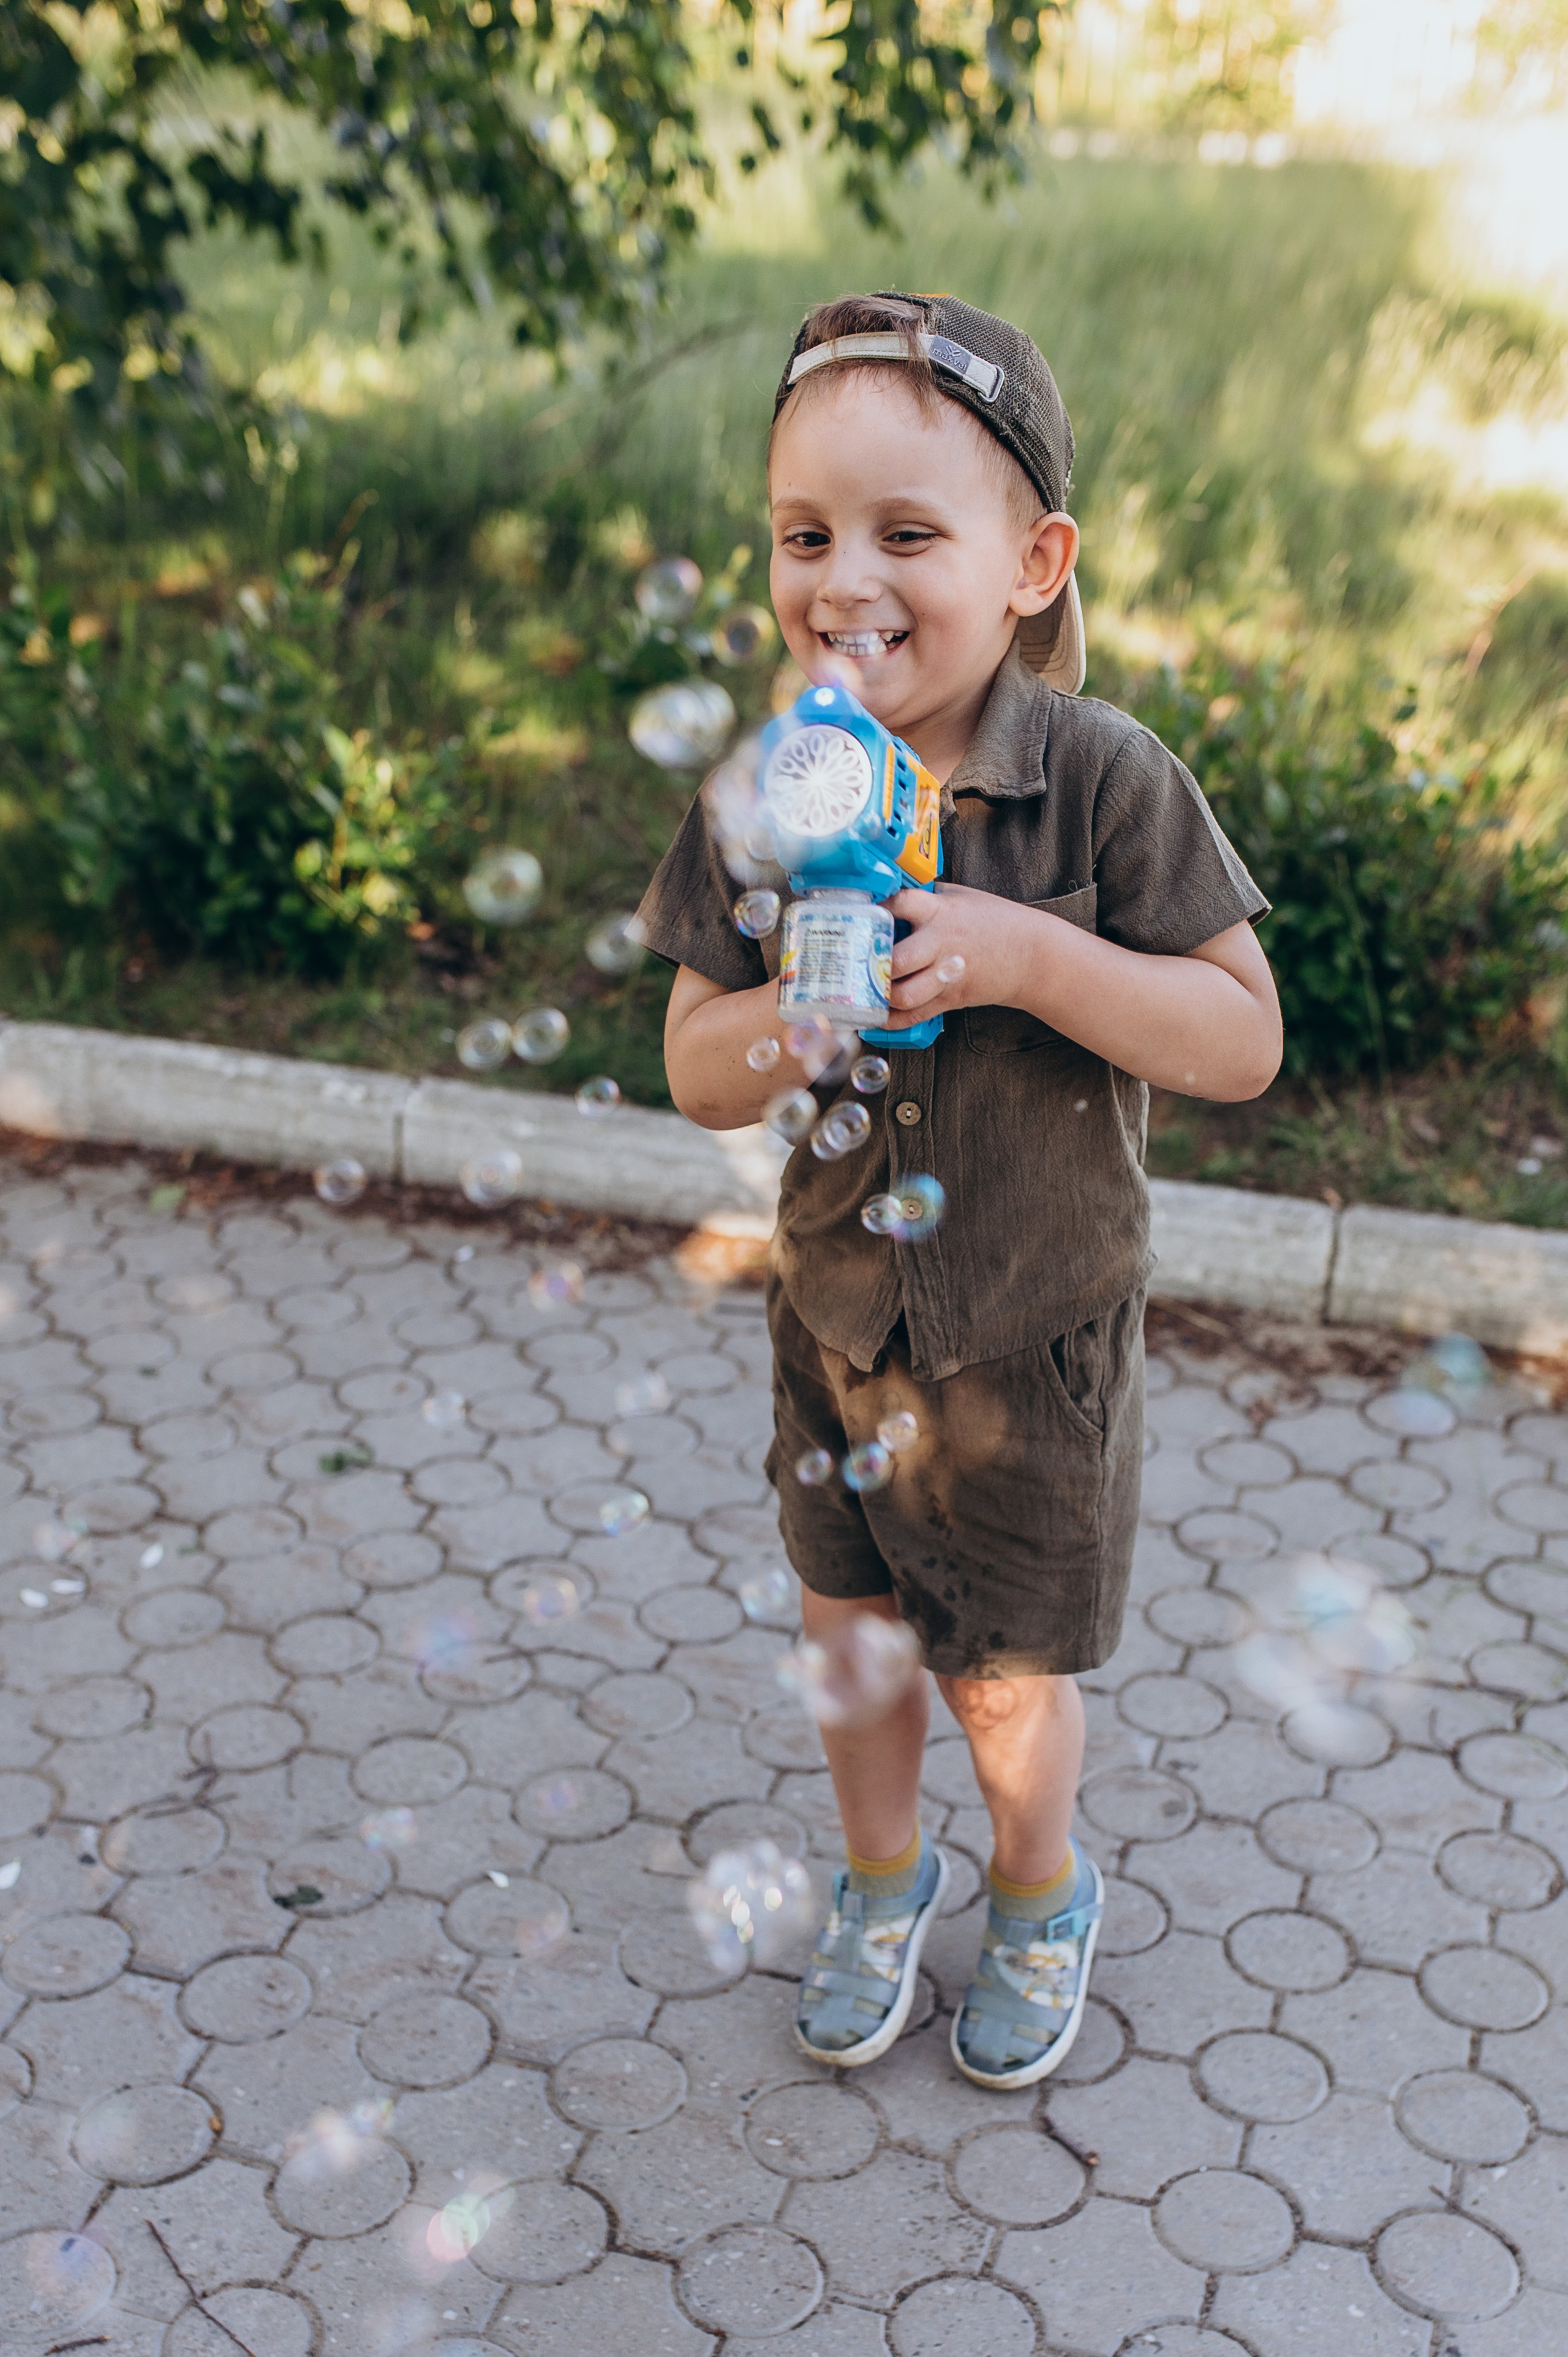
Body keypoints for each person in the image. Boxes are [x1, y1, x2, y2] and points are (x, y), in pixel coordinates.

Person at [635, 292, 1281, 2088]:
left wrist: (1021, 957)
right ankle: (874, 1879)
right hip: (839, 1327)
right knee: (854, 1642)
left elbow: (1240, 1039)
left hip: (1029, 1343)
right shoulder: (768, 792)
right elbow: (696, 1066)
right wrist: (788, 1025)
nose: (847, 578)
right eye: (804, 533)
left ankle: (1039, 1883)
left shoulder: (1101, 784)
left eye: (908, 533)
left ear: (1031, 560)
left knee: (999, 1673)